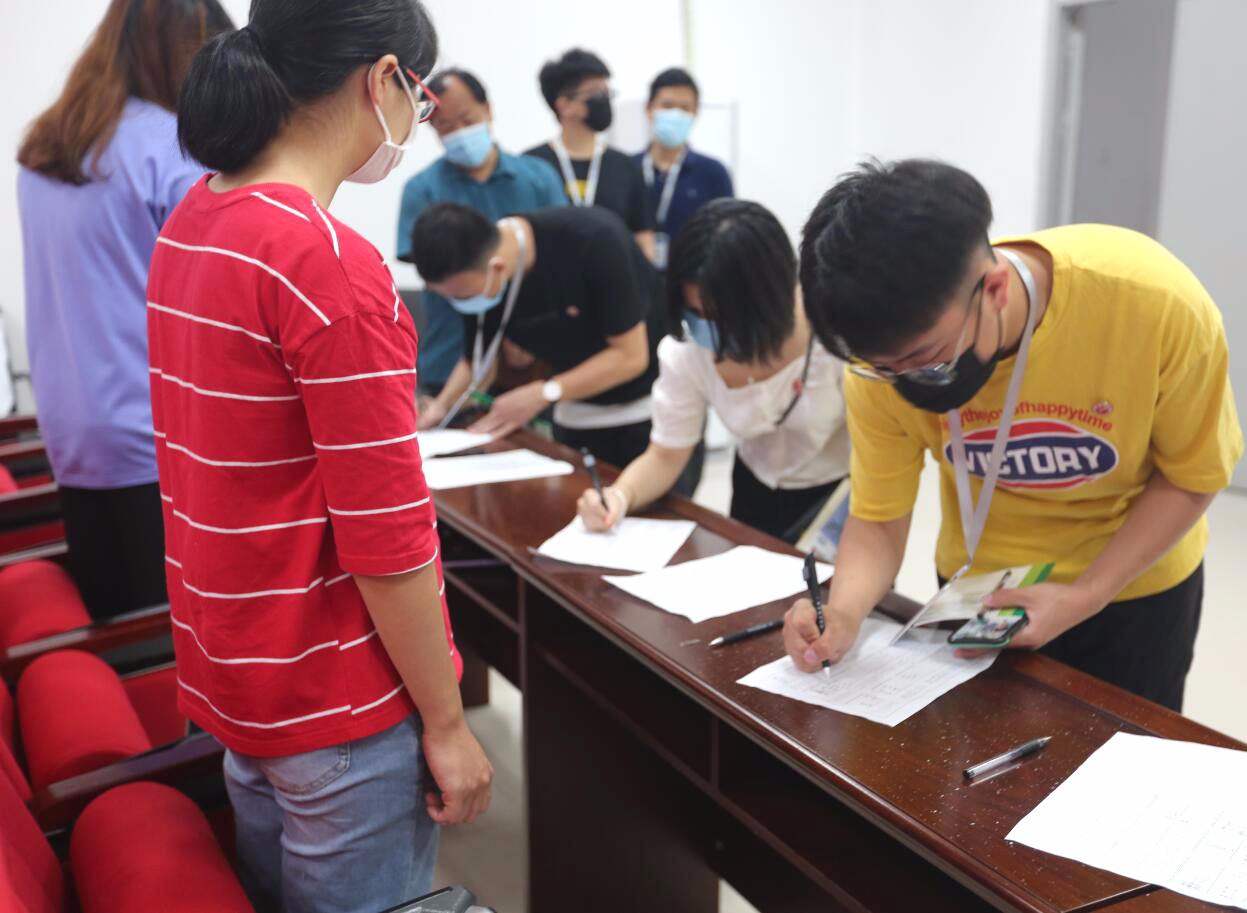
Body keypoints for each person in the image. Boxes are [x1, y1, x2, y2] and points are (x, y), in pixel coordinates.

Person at [152, 3, 492, 911]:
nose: (418, 118)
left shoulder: (194, 219)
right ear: (380, 79)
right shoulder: (326, 262)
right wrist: (449, 722)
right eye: (419, 95)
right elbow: (388, 540)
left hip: (240, 678)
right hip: (338, 701)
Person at [783, 159, 1242, 712]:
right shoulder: (880, 361)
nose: (904, 379)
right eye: (885, 368)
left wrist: (1084, 595)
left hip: (1131, 588)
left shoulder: (1152, 304)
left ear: (996, 288)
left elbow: (1192, 477)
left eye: (928, 359)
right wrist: (843, 610)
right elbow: (879, 518)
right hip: (980, 594)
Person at [16, 0, 233, 619]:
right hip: (159, 440)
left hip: (72, 433)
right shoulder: (173, 152)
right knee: (180, 636)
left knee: (121, 630)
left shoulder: (49, 149)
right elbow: (221, 313)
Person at [576, 199, 849, 543]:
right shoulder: (689, 349)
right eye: (695, 311)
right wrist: (620, 495)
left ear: (769, 299)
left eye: (723, 314)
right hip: (754, 491)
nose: (707, 326)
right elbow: (665, 455)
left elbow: (880, 462)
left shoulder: (836, 335)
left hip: (838, 500)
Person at [410, 202, 662, 469]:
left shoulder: (593, 239)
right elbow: (478, 364)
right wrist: (440, 408)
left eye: (461, 296)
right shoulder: (477, 275)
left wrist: (544, 393)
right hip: (573, 414)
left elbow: (630, 357)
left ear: (497, 268)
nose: (461, 304)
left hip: (647, 415)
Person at [396, 67, 566, 394]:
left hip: (535, 357)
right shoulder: (422, 190)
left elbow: (559, 260)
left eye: (467, 119)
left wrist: (522, 330)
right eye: (445, 126)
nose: (458, 132)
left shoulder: (538, 177)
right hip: (452, 354)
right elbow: (435, 273)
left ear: (488, 109)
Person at [525, 48, 656, 261]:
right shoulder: (532, 166)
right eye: (596, 93)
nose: (605, 100)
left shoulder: (625, 166)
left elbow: (645, 242)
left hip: (615, 278)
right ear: (564, 105)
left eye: (607, 92)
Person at [636, 68, 734, 271]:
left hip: (692, 280)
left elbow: (726, 238)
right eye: (667, 106)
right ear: (649, 109)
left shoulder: (714, 173)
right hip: (634, 281)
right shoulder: (626, 169)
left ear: (696, 113)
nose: (676, 114)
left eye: (685, 108)